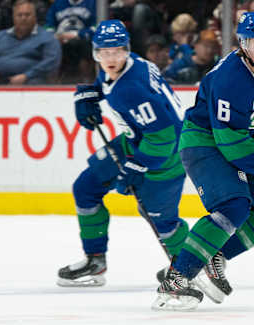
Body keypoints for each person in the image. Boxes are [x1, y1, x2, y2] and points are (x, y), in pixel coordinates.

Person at [153, 11, 254, 311]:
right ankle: (175, 281)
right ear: (243, 46)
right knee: (233, 205)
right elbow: (231, 146)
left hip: (240, 143)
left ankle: (213, 254)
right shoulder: (230, 81)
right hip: (204, 142)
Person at [56, 20, 189, 287]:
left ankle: (194, 266)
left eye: (117, 51)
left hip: (170, 153)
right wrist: (88, 95)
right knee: (85, 188)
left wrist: (136, 167)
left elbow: (164, 135)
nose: (111, 58)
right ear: (96, 53)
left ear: (126, 49)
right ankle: (95, 260)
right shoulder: (127, 66)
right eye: (104, 52)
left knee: (161, 220)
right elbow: (106, 85)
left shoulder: (131, 89)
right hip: (137, 141)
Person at [0, 0, 61, 85]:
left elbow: (52, 61)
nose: (23, 18)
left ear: (35, 17)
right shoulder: (0, 36)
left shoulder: (47, 37)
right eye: (19, 15)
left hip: (32, 80)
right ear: (13, 17)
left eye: (27, 15)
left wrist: (26, 75)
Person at [45, 0, 97, 83]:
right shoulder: (57, 4)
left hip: (83, 41)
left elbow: (96, 26)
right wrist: (55, 37)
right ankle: (55, 81)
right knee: (52, 47)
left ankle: (86, 79)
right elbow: (48, 27)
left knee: (85, 47)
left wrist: (78, 34)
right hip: (60, 40)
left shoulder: (92, 3)